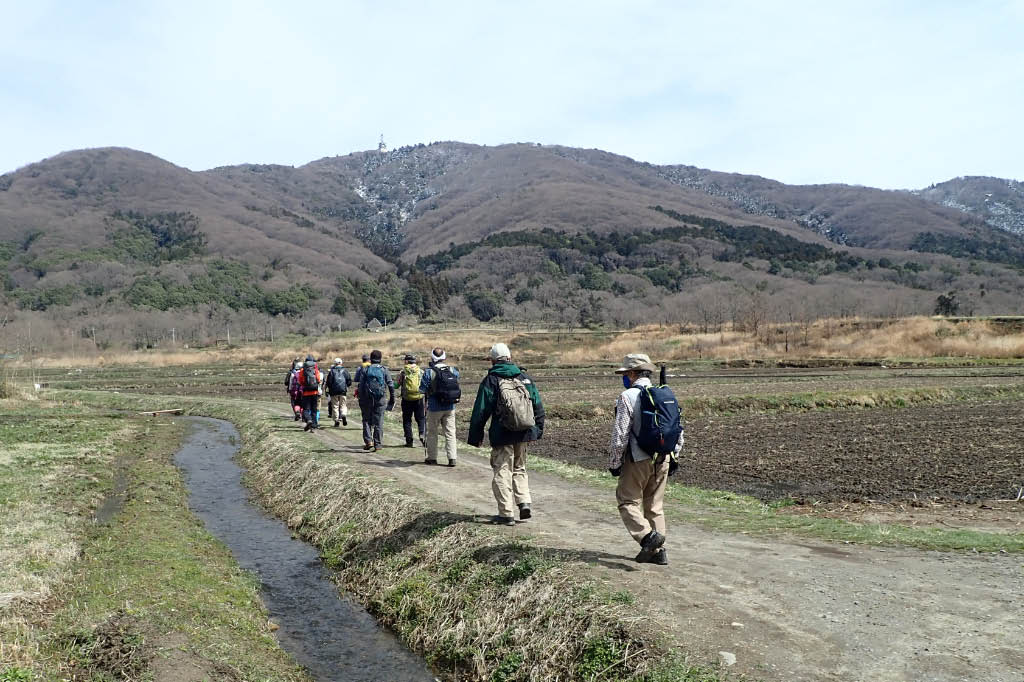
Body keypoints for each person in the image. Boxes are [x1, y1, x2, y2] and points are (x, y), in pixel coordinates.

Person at [609, 353, 684, 566]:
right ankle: (659, 553)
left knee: (627, 501)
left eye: (625, 373)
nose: (624, 377)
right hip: (664, 457)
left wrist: (615, 464)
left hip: (637, 459)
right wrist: (673, 455)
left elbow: (620, 435)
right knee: (654, 506)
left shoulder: (627, 396)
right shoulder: (665, 394)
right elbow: (678, 430)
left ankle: (647, 537)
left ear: (632, 374)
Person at [468, 342, 544, 526]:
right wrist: (537, 431)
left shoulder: (491, 380)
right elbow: (538, 405)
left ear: (493, 360)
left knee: (502, 470)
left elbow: (480, 411)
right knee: (520, 468)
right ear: (509, 358)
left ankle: (506, 513)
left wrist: (475, 437)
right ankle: (524, 502)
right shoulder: (524, 377)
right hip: (524, 432)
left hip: (502, 433)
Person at [420, 347, 460, 466]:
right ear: (444, 357)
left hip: (434, 407)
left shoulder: (428, 372)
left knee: (432, 433)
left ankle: (432, 457)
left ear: (432, 357)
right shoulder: (453, 370)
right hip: (450, 406)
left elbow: (422, 389)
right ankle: (452, 458)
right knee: (450, 433)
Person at [357, 349, 395, 451]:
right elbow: (391, 385)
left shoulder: (365, 370)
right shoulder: (384, 369)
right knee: (379, 422)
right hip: (381, 399)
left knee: (366, 420)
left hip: (367, 399)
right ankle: (377, 444)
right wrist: (392, 398)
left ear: (371, 358)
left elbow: (360, 386)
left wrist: (360, 398)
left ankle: (369, 441)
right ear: (380, 359)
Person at [397, 354, 426, 447]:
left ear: (406, 361)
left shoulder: (403, 372)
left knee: (407, 420)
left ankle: (409, 441)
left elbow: (396, 385)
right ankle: (422, 434)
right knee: (421, 418)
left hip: (406, 399)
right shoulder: (421, 371)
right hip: (419, 398)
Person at [325, 357, 352, 427]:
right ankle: (343, 414)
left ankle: (336, 420)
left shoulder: (332, 371)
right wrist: (346, 386)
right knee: (343, 404)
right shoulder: (345, 371)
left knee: (335, 406)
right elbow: (349, 381)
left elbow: (329, 382)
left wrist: (330, 389)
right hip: (343, 391)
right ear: (341, 363)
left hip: (334, 392)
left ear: (335, 363)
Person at [299, 354, 323, 432]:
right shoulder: (315, 370)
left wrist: (305, 385)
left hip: (306, 393)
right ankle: (314, 425)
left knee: (306, 409)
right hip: (315, 392)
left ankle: (308, 420)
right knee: (314, 409)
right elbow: (319, 379)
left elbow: (301, 381)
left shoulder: (302, 371)